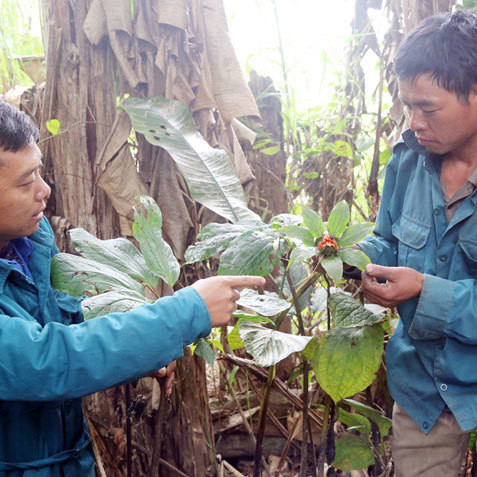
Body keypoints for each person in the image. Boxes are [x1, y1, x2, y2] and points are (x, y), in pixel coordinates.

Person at [0, 99, 265, 476]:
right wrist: (185, 313)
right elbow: (49, 360)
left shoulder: (28, 244)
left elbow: (62, 321)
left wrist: (143, 344)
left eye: (40, 173)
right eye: (26, 182)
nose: (44, 190)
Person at [356, 9, 477, 477]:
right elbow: (386, 240)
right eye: (408, 106)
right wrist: (350, 260)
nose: (415, 121)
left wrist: (425, 292)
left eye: (428, 108)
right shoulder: (407, 162)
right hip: (424, 386)